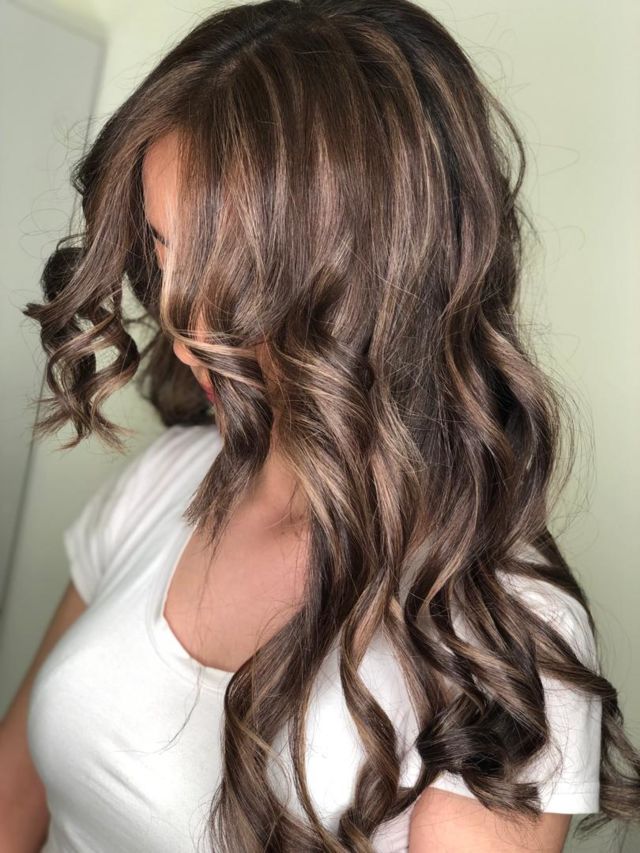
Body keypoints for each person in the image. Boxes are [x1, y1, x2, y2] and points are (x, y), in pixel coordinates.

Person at [2, 1, 639, 851]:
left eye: (234, 274)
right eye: (162, 251)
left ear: (373, 281)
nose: (180, 324)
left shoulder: (504, 638)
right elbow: (12, 796)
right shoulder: (169, 478)